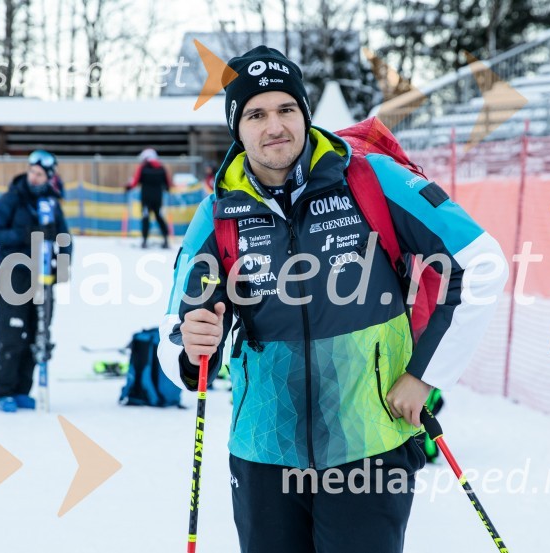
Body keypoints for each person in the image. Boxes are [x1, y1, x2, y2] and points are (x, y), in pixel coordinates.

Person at [158, 46, 508, 553]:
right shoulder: (218, 215)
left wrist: (425, 375)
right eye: (255, 114)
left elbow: (481, 260)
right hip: (264, 451)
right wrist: (190, 348)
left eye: (286, 109)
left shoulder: (370, 180)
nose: (273, 125)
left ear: (305, 113)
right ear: (238, 127)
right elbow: (175, 327)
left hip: (369, 444)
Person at [0, 150, 71, 413]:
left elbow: (65, 238)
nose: (34, 177)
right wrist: (26, 234)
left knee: (38, 333)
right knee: (12, 333)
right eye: (32, 172)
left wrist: (63, 268)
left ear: (49, 177)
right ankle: (4, 391)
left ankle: (23, 389)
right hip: (13, 273)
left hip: (43, 276)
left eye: (40, 174)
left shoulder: (51, 204)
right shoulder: (11, 199)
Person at [127, 148, 171, 248]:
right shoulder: (162, 168)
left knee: (145, 218)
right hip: (158, 198)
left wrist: (127, 187)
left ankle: (144, 241)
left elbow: (135, 181)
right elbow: (168, 184)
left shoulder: (142, 168)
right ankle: (166, 240)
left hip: (146, 198)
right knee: (159, 218)